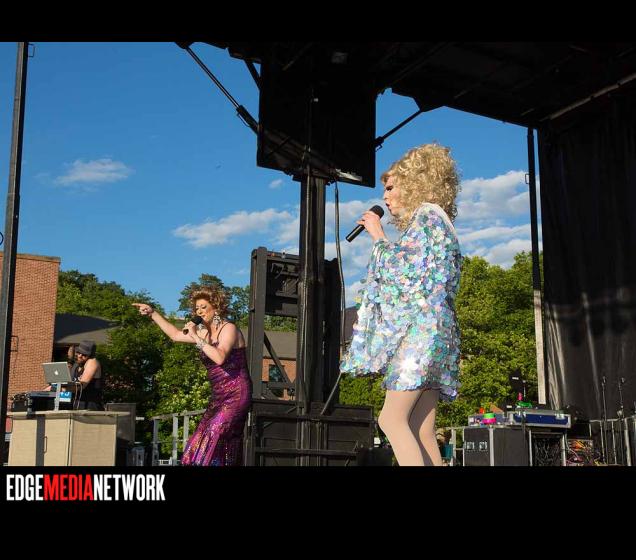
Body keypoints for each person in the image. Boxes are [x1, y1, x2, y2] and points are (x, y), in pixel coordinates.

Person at [340, 143, 462, 466]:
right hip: (439, 335)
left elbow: (405, 275)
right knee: (421, 428)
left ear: (415, 183)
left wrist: (379, 237)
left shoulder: (427, 217)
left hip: (422, 334)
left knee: (391, 420)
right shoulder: (440, 222)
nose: (386, 197)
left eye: (391, 188)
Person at [133, 286, 252, 466]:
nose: (199, 311)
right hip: (218, 395)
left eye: (204, 307)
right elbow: (175, 335)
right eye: (197, 308)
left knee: (216, 432)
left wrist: (196, 338)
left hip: (236, 393)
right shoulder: (203, 332)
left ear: (216, 308)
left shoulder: (229, 329)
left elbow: (220, 357)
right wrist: (153, 313)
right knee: (200, 439)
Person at [69, 340, 104, 410]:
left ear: (91, 356)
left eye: (84, 355)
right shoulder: (76, 365)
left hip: (90, 407)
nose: (80, 356)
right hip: (77, 405)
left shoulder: (92, 362)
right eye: (79, 352)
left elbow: (81, 386)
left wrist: (62, 388)